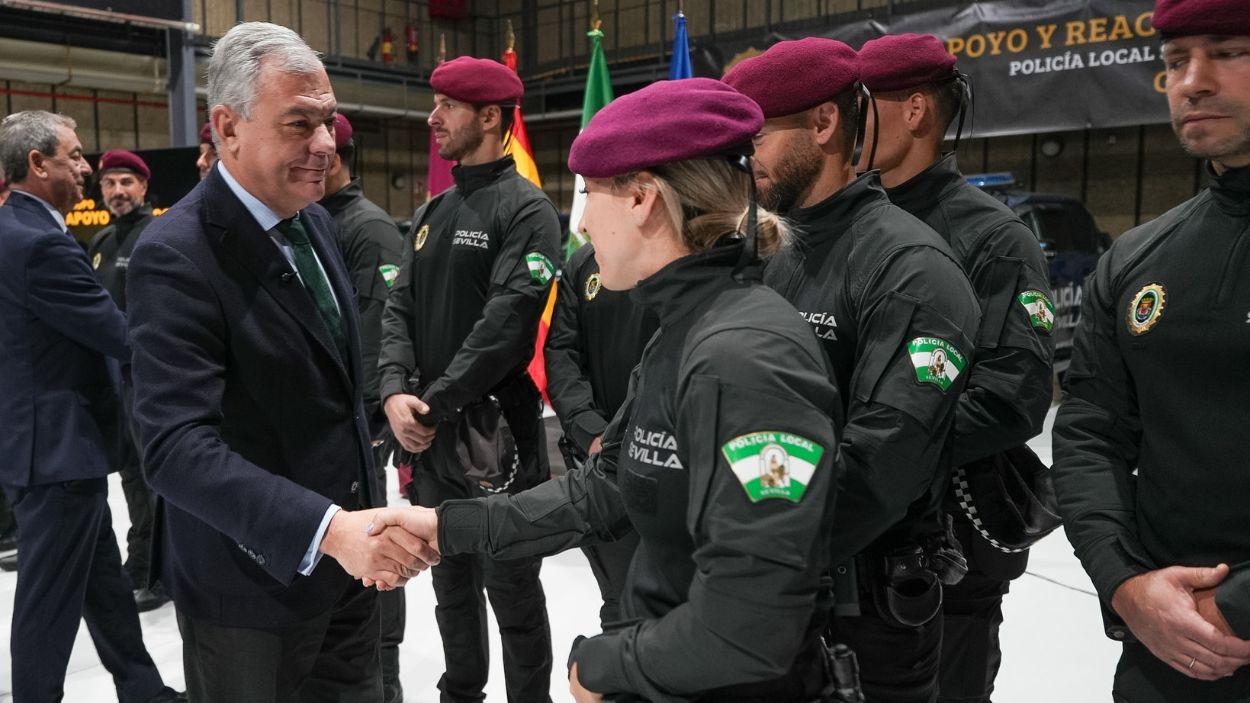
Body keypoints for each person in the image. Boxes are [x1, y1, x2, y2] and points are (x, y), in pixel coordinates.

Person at [370, 76, 845, 703]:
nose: (584, 223)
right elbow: (607, 486)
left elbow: (749, 627)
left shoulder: (744, 355)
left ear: (644, 199)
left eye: (589, 195)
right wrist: (443, 526)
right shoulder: (686, 327)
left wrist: (606, 665)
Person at [125, 22, 437, 701]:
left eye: (328, 122)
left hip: (350, 572)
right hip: (253, 595)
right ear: (227, 128)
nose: (325, 145)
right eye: (300, 124)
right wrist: (326, 529)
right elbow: (174, 447)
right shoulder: (176, 253)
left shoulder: (313, 222)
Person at [724, 38, 981, 703]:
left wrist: (747, 555)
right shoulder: (767, 252)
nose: (743, 154)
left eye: (758, 133)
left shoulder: (910, 269)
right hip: (769, 594)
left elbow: (880, 463)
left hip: (862, 617)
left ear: (823, 124)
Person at [1052, 1, 1250, 700]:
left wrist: (1233, 609)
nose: (1191, 81)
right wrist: (1125, 582)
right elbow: (1089, 431)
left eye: (1228, 51)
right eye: (1173, 62)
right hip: (1166, 651)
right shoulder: (1140, 255)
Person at [856, 34, 1056, 703]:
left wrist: (880, 451)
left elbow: (1014, 395)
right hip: (849, 531)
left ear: (915, 112)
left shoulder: (992, 237)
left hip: (948, 552)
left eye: (862, 106)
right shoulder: (843, 225)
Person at [378, 54, 560, 703]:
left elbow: (507, 323)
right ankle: (461, 688)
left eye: (446, 105)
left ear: (489, 115)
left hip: (495, 437)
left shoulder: (528, 209)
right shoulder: (432, 212)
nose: (433, 118)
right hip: (430, 437)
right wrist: (394, 389)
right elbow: (399, 306)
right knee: (447, 580)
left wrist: (429, 405)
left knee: (510, 586)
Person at [0, 110, 184, 703]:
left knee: (103, 582)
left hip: (50, 446)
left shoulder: (15, 230)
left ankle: (142, 688)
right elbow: (117, 333)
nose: (87, 168)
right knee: (47, 603)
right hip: (57, 452)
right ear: (37, 163)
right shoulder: (39, 244)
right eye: (75, 156)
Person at [317, 111, 408, 703]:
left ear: (333, 156)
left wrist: (370, 425)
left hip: (355, 429)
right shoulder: (311, 222)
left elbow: (378, 336)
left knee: (372, 570)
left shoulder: (366, 228)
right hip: (321, 433)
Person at [544, 240, 658, 627]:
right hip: (604, 464)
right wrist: (592, 433)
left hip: (673, 464)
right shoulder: (584, 262)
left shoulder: (688, 250)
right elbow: (562, 351)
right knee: (619, 605)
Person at [86, 148, 170, 612]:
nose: (118, 192)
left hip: (150, 380)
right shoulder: (100, 242)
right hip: (113, 382)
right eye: (109, 184)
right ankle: (140, 563)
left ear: (143, 187)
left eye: (126, 183)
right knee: (132, 478)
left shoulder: (156, 235)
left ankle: (158, 570)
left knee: (157, 477)